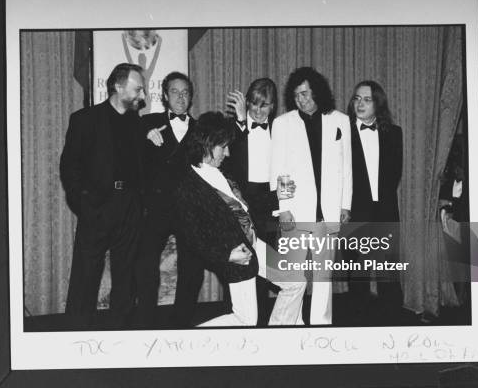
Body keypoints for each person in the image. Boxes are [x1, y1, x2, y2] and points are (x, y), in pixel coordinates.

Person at [174, 111, 306, 327]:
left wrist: (277, 196)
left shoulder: (222, 171)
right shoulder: (187, 185)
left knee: (295, 282)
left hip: (254, 244)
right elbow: (193, 238)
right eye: (222, 146)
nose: (227, 153)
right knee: (245, 321)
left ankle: (278, 336)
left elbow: (247, 204)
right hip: (237, 255)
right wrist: (226, 255)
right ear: (207, 143)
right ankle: (189, 341)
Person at [59, 63, 146, 329]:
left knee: (125, 275)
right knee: (86, 276)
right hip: (96, 207)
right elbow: (69, 168)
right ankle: (76, 334)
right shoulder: (85, 119)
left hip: (129, 207)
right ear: (118, 87)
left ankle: (119, 331)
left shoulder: (136, 122)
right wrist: (85, 206)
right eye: (137, 88)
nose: (142, 95)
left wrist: (139, 204)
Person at [270, 67, 352, 325]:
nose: (301, 100)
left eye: (305, 93)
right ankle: (291, 326)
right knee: (293, 277)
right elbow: (280, 170)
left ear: (317, 92)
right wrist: (283, 208)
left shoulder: (341, 120)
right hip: (294, 212)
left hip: (327, 211)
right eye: (296, 96)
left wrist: (345, 204)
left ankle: (321, 326)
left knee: (323, 275)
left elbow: (347, 166)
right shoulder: (282, 123)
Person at [133, 71, 199, 328]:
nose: (180, 97)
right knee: (145, 263)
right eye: (175, 92)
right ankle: (145, 320)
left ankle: (181, 323)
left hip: (189, 210)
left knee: (192, 269)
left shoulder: (199, 128)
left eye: (185, 93)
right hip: (157, 208)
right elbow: (127, 143)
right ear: (164, 96)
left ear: (191, 97)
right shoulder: (147, 122)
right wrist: (145, 136)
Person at [222, 78, 289, 324]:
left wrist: (285, 197)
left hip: (268, 206)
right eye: (254, 104)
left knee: (266, 268)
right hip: (240, 204)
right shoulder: (233, 127)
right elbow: (227, 164)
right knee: (239, 265)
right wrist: (241, 123)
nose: (258, 111)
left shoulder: (279, 130)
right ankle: (236, 322)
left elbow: (284, 167)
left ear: (273, 107)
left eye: (265, 106)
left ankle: (260, 326)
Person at [344, 80, 403, 320]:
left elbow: (394, 174)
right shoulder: (342, 132)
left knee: (388, 273)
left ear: (377, 104)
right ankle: (359, 327)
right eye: (357, 98)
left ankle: (394, 325)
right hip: (355, 214)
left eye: (367, 100)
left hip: (386, 213)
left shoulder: (394, 132)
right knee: (357, 275)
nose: (360, 104)